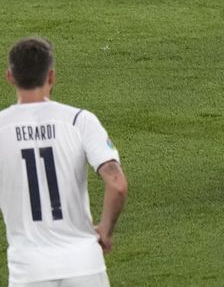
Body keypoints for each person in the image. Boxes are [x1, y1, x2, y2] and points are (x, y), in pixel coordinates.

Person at [0, 37, 128, 286]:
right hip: (83, 265)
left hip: (29, 270)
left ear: (10, 77)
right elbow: (117, 183)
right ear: (51, 76)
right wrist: (105, 230)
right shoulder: (79, 120)